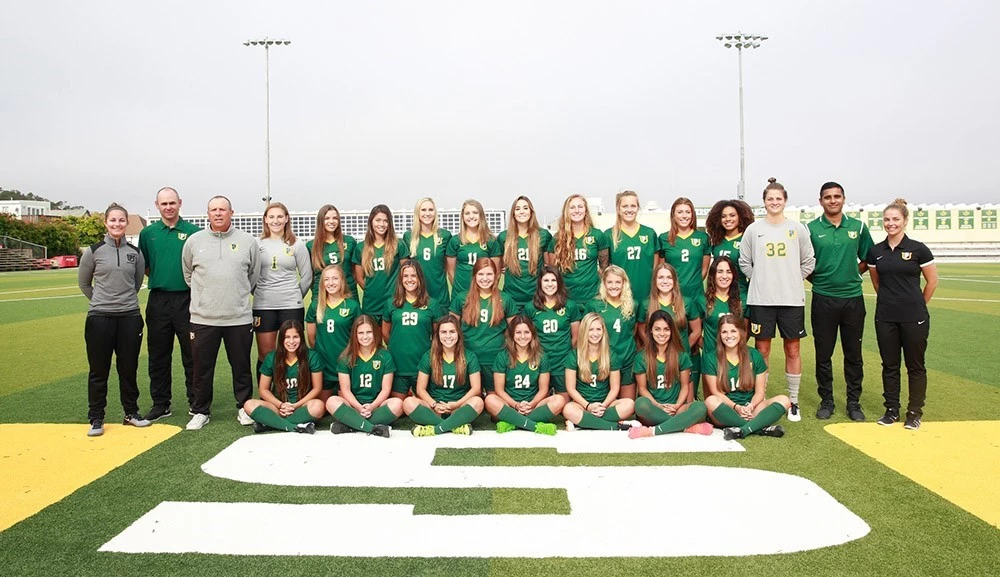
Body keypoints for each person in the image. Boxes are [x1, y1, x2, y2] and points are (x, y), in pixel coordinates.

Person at [739, 178, 816, 422]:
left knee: (792, 349)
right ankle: (760, 399)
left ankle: (793, 401)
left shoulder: (797, 228)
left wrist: (791, 279)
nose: (774, 202)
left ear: (785, 201)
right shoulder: (754, 230)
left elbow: (808, 261)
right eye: (770, 199)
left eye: (778, 199)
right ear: (764, 202)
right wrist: (761, 279)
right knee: (762, 350)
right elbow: (744, 262)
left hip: (791, 300)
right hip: (761, 300)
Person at [182, 195, 260, 430]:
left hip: (238, 317)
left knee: (241, 367)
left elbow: (253, 275)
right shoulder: (194, 241)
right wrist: (206, 295)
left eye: (222, 209)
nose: (218, 213)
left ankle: (244, 407)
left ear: (231, 213)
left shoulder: (248, 241)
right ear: (208, 214)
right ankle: (200, 410)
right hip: (204, 318)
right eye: (213, 210)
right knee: (201, 369)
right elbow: (188, 275)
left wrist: (235, 293)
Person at [867, 198, 938, 430]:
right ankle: (891, 410)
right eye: (887, 219)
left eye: (895, 219)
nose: (891, 223)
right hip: (885, 316)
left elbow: (932, 281)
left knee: (915, 366)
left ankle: (914, 412)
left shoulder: (918, 249)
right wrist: (891, 302)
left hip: (914, 317)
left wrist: (918, 305)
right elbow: (877, 284)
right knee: (890, 365)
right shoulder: (876, 251)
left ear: (905, 221)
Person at [78, 203, 148, 436]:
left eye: (121, 220)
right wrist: (101, 301)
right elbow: (84, 284)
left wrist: (122, 302)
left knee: (128, 368)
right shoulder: (93, 251)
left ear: (126, 223)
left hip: (129, 318)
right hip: (99, 319)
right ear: (106, 223)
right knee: (99, 370)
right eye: (113, 220)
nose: (117, 224)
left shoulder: (135, 253)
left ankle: (131, 413)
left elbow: (136, 283)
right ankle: (96, 417)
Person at [807, 182, 875, 421]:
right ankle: (826, 400)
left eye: (837, 196)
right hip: (823, 299)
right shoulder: (811, 229)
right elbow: (804, 263)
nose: (833, 200)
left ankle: (853, 402)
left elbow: (868, 258)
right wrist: (820, 280)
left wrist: (852, 273)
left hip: (852, 299)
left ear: (844, 199)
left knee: (853, 354)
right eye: (828, 197)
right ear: (821, 201)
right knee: (823, 354)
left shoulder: (858, 227)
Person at [138, 187, 200, 421]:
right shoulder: (148, 233)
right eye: (164, 204)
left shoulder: (194, 232)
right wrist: (162, 278)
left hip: (187, 299)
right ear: (157, 205)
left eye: (172, 203)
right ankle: (161, 404)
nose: (168, 207)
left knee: (192, 354)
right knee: (158, 355)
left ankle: (196, 402)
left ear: (180, 203)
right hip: (159, 300)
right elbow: (145, 266)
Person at [703, 315, 790, 440]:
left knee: (784, 400)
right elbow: (716, 392)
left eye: (733, 331)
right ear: (719, 335)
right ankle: (758, 427)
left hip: (751, 408)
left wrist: (750, 406)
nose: (729, 335)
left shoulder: (754, 355)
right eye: (724, 332)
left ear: (741, 332)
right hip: (728, 410)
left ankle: (742, 430)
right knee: (710, 401)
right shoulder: (711, 357)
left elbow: (760, 392)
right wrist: (736, 407)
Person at [628, 310, 713, 438]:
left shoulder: (681, 355)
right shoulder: (642, 357)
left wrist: (677, 405)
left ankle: (652, 431)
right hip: (654, 409)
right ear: (650, 330)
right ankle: (684, 427)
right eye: (657, 329)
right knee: (640, 404)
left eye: (666, 329)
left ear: (672, 331)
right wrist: (658, 405)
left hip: (676, 408)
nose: (662, 333)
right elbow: (642, 389)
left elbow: (685, 386)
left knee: (700, 407)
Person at [253, 202, 311, 385]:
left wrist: (295, 296)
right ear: (265, 219)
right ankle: (266, 394)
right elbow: (250, 275)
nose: (275, 220)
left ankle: (293, 392)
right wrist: (259, 293)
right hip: (264, 305)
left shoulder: (297, 244)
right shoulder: (257, 244)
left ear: (286, 219)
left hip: (291, 305)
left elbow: (307, 276)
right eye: (271, 217)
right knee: (266, 354)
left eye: (279, 216)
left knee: (293, 351)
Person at [402, 317, 485, 436]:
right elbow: (420, 389)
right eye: (443, 332)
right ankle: (454, 426)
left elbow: (476, 388)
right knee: (408, 402)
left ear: (458, 334)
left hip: (458, 408)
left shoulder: (470, 356)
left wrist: (456, 404)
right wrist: (434, 405)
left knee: (478, 402)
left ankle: (435, 429)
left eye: (452, 331)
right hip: (434, 408)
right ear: (438, 335)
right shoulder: (429, 356)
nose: (448, 336)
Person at [484, 315, 564, 435]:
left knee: (559, 400)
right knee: (490, 399)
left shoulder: (541, 357)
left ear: (532, 334)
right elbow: (499, 390)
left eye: (526, 332)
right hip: (510, 405)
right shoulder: (502, 357)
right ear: (512, 334)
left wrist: (531, 405)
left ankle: (513, 423)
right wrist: (516, 405)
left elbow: (543, 390)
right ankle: (533, 425)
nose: (522, 336)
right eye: (518, 332)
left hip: (533, 406)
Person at [243, 320, 324, 434]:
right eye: (287, 337)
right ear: (281, 339)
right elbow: (263, 389)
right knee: (248, 405)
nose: (291, 341)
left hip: (301, 406)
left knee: (319, 406)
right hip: (278, 407)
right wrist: (280, 405)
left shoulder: (312, 356)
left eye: (295, 337)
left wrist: (295, 406)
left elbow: (317, 388)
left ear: (301, 338)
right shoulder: (272, 357)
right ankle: (293, 427)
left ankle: (271, 423)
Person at [326, 315, 401, 437]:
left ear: (375, 332)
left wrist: (372, 406)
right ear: (354, 335)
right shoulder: (346, 358)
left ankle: (351, 424)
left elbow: (386, 389)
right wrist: (359, 407)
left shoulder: (385, 356)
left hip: (376, 406)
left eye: (369, 332)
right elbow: (345, 390)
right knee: (331, 401)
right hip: (353, 406)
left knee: (397, 404)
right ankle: (372, 428)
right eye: (360, 333)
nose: (365, 336)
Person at [449, 258, 517, 392]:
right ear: (474, 275)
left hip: (495, 358)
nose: (485, 278)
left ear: (496, 275)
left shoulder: (505, 299)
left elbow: (515, 330)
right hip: (467, 357)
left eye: (489, 274)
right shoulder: (462, 298)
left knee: (494, 397)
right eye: (480, 274)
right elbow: (450, 328)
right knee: (471, 397)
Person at [562, 312, 636, 430]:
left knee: (630, 404)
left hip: (605, 404)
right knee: (568, 409)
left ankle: (582, 422)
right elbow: (571, 388)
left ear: (603, 331)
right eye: (590, 330)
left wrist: (603, 406)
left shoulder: (611, 355)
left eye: (598, 329)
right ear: (584, 331)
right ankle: (614, 426)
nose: (595, 333)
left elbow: (615, 388)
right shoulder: (574, 355)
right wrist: (588, 406)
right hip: (583, 405)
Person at [383, 259, 444, 399]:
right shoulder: (391, 303)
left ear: (420, 278)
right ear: (400, 279)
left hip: (422, 366)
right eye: (405, 276)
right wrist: (398, 346)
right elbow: (385, 333)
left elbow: (437, 335)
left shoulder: (432, 304)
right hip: (398, 365)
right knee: (398, 407)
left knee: (424, 405)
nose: (409, 279)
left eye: (413, 275)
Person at [638, 262, 703, 388]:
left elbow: (696, 331)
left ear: (674, 281)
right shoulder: (646, 304)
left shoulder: (686, 302)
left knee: (686, 396)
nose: (665, 281)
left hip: (680, 358)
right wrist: (654, 348)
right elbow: (641, 330)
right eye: (661, 277)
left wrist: (683, 349)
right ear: (655, 280)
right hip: (657, 359)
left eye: (669, 277)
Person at [523, 265, 581, 397]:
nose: (550, 284)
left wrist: (566, 355)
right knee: (539, 401)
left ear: (559, 283)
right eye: (546, 280)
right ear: (540, 283)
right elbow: (526, 337)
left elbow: (576, 338)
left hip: (562, 361)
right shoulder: (530, 308)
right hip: (539, 361)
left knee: (563, 403)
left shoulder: (570, 306)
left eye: (553, 280)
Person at [305, 204, 357, 346]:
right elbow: (309, 276)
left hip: (348, 294)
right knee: (324, 335)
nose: (331, 221)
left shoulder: (349, 241)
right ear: (320, 221)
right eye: (327, 218)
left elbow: (354, 271)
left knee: (350, 334)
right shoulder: (311, 246)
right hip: (322, 295)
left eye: (335, 218)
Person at [584, 266, 639, 400]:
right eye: (609, 282)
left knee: (628, 404)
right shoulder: (594, 305)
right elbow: (586, 333)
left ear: (624, 283)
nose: (614, 286)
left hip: (626, 358)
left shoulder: (633, 305)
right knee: (603, 403)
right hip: (603, 360)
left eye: (618, 282)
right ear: (603, 283)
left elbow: (634, 330)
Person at [548, 194, 610, 306]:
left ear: (586, 210)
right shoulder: (557, 238)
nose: (577, 210)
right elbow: (552, 270)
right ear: (566, 212)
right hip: (566, 298)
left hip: (592, 297)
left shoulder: (597, 235)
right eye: (572, 207)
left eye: (580, 207)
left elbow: (604, 269)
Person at [312, 264, 361, 401]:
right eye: (326, 279)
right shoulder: (316, 305)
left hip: (346, 363)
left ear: (342, 281)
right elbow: (311, 337)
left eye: (335, 278)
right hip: (324, 364)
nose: (331, 283)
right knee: (322, 406)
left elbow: (358, 336)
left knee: (345, 405)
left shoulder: (352, 306)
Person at [353, 205, 407, 324]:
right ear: (371, 222)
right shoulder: (361, 247)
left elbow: (405, 272)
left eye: (385, 221)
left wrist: (396, 292)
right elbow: (359, 277)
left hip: (394, 302)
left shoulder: (398, 245)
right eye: (378, 220)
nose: (381, 224)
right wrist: (372, 290)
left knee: (392, 335)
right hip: (371, 305)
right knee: (372, 335)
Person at [497, 196, 551, 312]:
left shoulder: (543, 235)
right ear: (513, 213)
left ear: (531, 211)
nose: (522, 211)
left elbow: (549, 265)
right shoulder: (504, 237)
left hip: (537, 297)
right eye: (517, 209)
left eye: (525, 208)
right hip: (512, 298)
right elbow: (497, 265)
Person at [607, 190, 661, 304]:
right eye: (625, 206)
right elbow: (605, 270)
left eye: (633, 206)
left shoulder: (649, 233)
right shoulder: (609, 235)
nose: (629, 209)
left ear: (638, 208)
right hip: (620, 296)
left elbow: (656, 267)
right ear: (618, 209)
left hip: (647, 295)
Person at [659, 197, 711, 313]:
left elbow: (704, 269)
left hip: (696, 295)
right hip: (672, 294)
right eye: (680, 212)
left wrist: (692, 284)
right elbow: (662, 269)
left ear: (692, 214)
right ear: (673, 215)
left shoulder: (703, 238)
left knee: (697, 323)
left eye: (688, 212)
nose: (684, 216)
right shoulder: (664, 238)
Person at [701, 256, 743, 398]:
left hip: (734, 359)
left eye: (728, 271)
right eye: (720, 271)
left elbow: (745, 330)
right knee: (711, 402)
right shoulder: (702, 300)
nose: (724, 276)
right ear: (713, 275)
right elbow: (695, 331)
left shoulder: (741, 301)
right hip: (711, 360)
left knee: (735, 400)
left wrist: (732, 347)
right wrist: (708, 348)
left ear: (733, 275)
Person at [446, 199, 501, 299]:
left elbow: (496, 272)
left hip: (483, 294)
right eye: (467, 213)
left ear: (481, 215)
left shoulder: (491, 241)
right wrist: (460, 290)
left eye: (475, 213)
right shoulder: (455, 241)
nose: (471, 216)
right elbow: (451, 271)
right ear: (462, 217)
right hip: (460, 293)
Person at [403, 197, 452, 308]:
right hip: (417, 297)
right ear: (417, 213)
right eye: (423, 210)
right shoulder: (408, 236)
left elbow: (450, 267)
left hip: (440, 297)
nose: (427, 213)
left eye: (430, 210)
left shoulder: (445, 235)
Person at [705, 199, 754, 307]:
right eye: (723, 216)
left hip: (741, 293)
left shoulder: (747, 239)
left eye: (732, 215)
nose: (728, 219)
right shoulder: (716, 241)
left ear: (740, 217)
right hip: (719, 294)